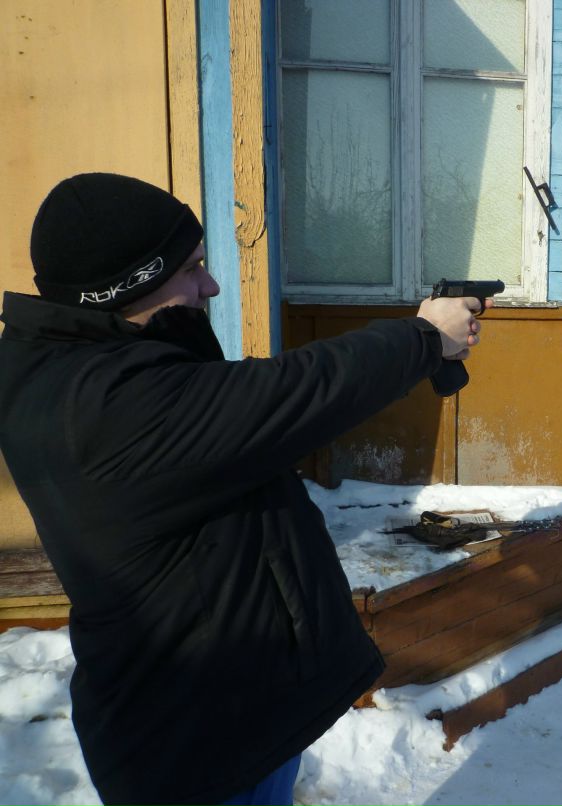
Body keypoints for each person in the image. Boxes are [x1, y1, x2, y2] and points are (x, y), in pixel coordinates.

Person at [0, 172, 489, 805]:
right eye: (190, 269)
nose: (211, 285)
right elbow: (294, 391)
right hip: (202, 745)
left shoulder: (65, 365)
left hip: (208, 711)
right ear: (129, 285)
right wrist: (425, 337)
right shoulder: (109, 409)